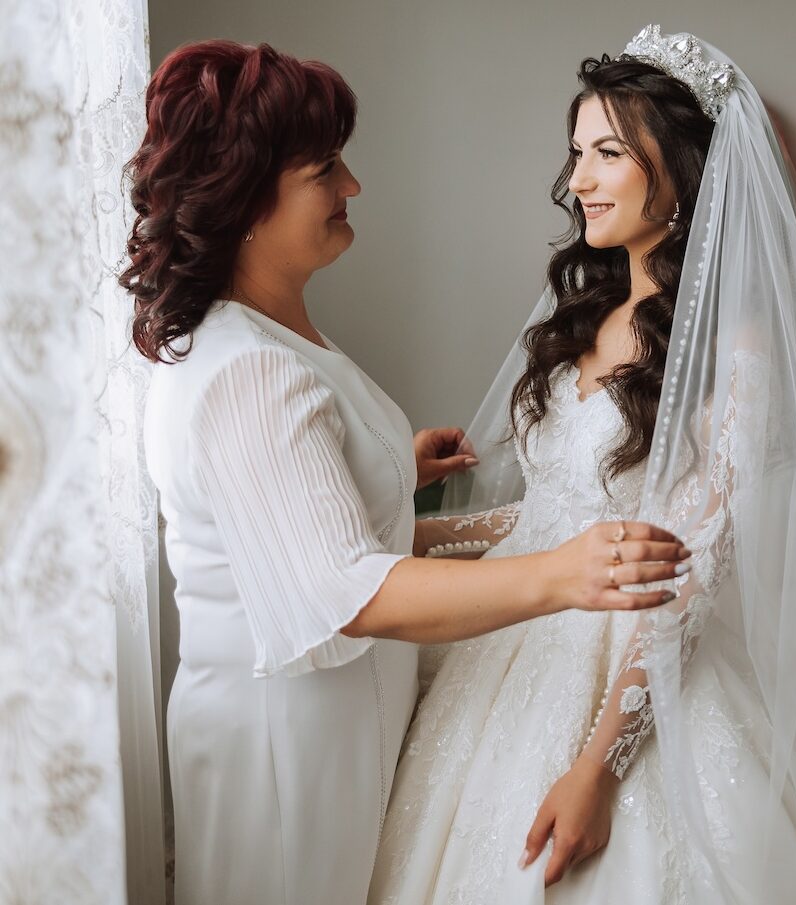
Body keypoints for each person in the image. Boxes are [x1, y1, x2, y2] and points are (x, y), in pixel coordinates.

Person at [369, 26, 796, 905]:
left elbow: (692, 571)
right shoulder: (586, 313)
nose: (578, 181)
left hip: (638, 661)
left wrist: (598, 769)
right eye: (577, 153)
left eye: (608, 154)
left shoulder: (737, 348)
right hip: (521, 638)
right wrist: (408, 534)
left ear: (681, 170)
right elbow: (557, 518)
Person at [122, 40, 689, 905]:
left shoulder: (275, 333)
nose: (352, 185)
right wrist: (559, 573)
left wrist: (386, 470)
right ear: (245, 196)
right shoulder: (248, 370)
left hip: (337, 723)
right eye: (325, 169)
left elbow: (298, 511)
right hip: (286, 749)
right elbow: (345, 591)